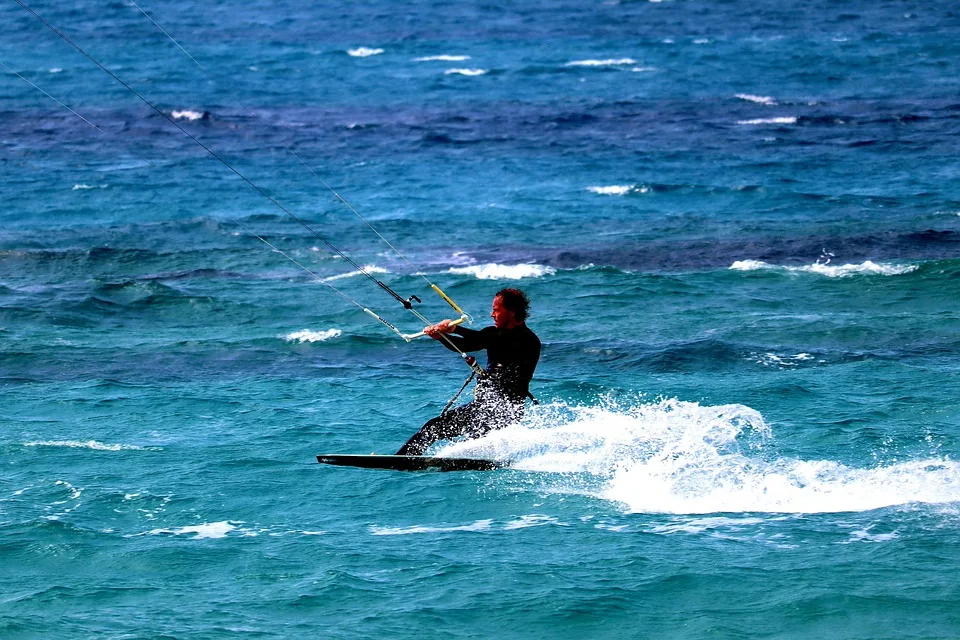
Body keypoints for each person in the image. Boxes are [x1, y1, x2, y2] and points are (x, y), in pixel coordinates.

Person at [395, 288, 541, 455]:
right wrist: (441, 337)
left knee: (474, 441)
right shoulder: (493, 333)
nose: (492, 314)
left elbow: (488, 340)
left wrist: (454, 330)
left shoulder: (528, 340)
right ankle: (402, 459)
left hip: (505, 411)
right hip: (483, 407)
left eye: (496, 310)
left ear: (512, 312)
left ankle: (482, 460)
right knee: (432, 428)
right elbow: (464, 346)